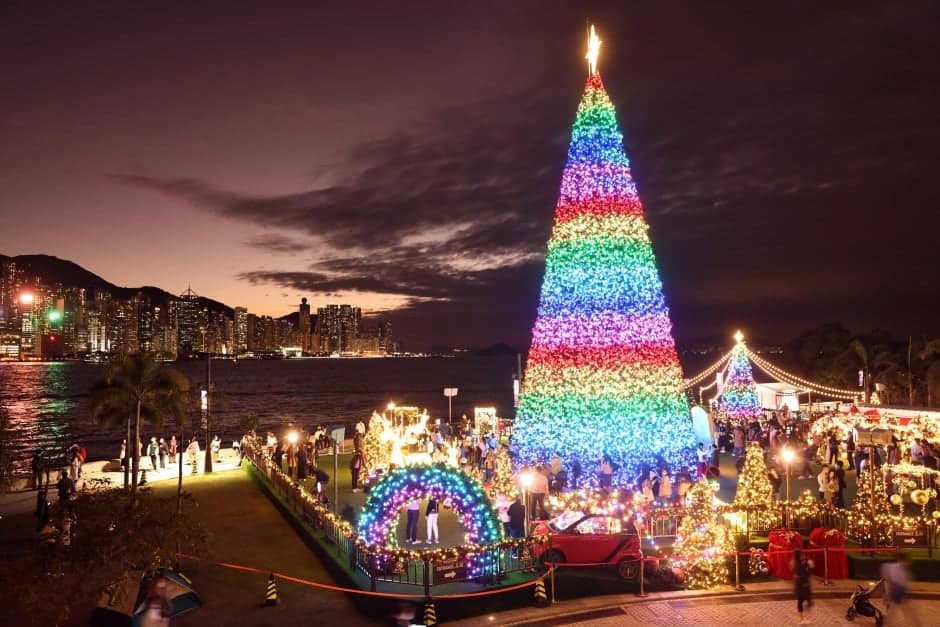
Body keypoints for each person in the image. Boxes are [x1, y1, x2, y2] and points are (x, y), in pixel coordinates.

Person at [881, 551, 921, 626]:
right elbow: (903, 580)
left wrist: (888, 592)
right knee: (907, 609)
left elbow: (888, 576)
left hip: (896, 590)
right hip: (899, 591)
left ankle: (887, 623)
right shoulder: (899, 567)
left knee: (894, 610)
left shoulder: (891, 566)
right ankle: (916, 624)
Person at [792, 548, 814, 624]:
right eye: (801, 555)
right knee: (808, 602)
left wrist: (807, 563)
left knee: (801, 602)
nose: (803, 556)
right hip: (803, 587)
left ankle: (802, 619)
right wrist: (810, 567)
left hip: (799, 587)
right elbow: (806, 575)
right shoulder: (799, 566)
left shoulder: (796, 564)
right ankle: (804, 619)